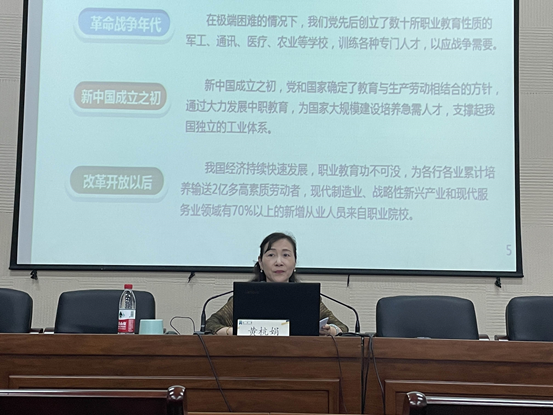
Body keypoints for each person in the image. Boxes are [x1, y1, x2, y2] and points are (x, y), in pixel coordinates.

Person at [205, 232, 348, 336]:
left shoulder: (306, 297)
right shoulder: (246, 295)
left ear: (295, 261)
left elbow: (342, 328)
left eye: (286, 255)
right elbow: (211, 325)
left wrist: (329, 330)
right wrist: (235, 332)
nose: (279, 262)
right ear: (261, 262)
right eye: (271, 255)